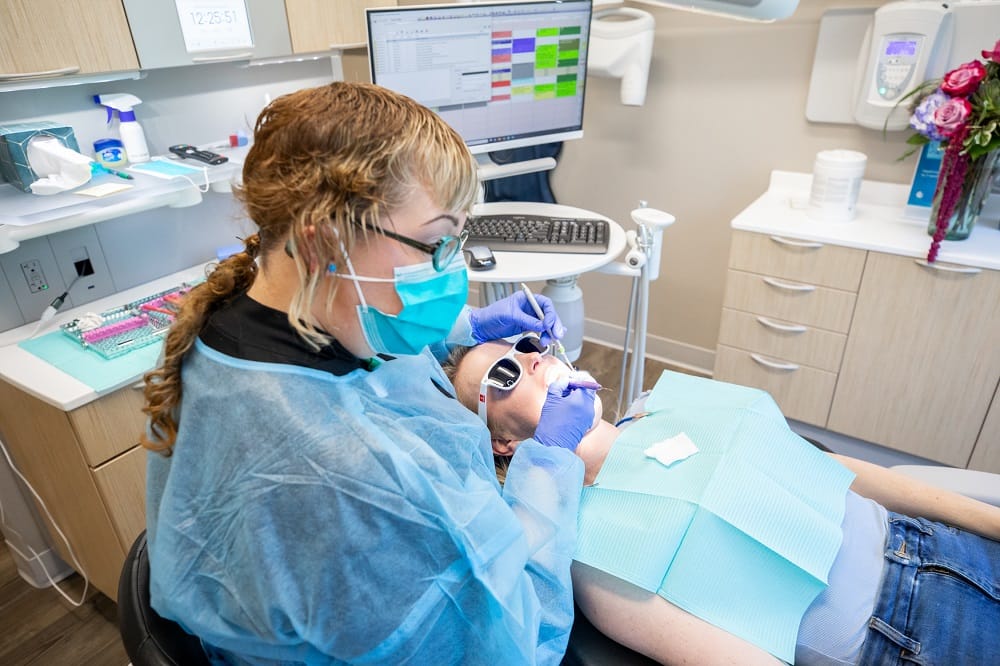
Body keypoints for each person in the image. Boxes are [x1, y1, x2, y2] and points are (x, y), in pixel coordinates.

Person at [140, 82, 600, 665]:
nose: (450, 268)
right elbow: (507, 644)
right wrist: (551, 465)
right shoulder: (355, 480)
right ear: (324, 240)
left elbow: (372, 338)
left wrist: (466, 327)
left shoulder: (249, 324)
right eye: (435, 243)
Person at [444, 338, 1000, 666]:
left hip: (933, 537)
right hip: (911, 632)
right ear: (503, 442)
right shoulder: (592, 556)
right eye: (506, 372)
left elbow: (831, 470)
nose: (533, 359)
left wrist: (986, 520)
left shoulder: (661, 404)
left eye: (526, 345)